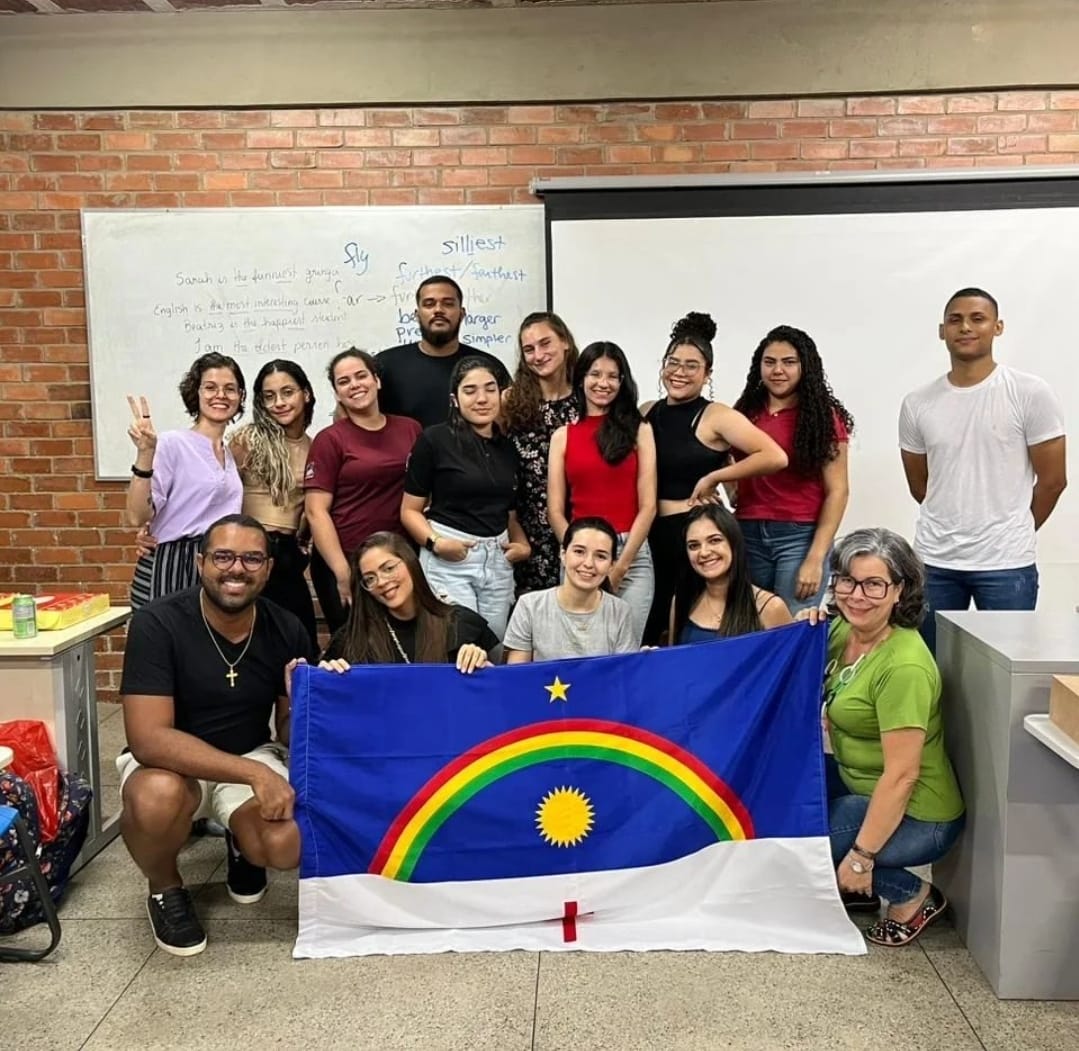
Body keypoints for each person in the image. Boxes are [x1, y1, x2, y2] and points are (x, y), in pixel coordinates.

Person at [117, 514, 316, 957]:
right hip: (170, 764)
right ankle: (165, 887)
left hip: (249, 751)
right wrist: (253, 775)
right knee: (156, 798)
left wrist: (300, 703)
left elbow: (286, 732)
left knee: (286, 845)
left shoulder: (288, 628)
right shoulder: (157, 623)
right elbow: (149, 739)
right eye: (223, 556)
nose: (237, 569)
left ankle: (241, 842)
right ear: (200, 562)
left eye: (251, 558)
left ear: (267, 568)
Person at [801, 528, 965, 947]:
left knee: (806, 845)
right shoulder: (844, 632)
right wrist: (805, 626)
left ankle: (910, 894)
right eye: (847, 580)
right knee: (787, 808)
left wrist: (861, 857)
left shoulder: (904, 667)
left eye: (874, 584)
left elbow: (903, 775)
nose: (857, 595)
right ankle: (854, 872)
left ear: (899, 590)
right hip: (860, 781)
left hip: (919, 813)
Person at [899, 287, 1067, 652]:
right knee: (930, 667)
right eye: (955, 320)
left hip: (1006, 564)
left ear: (998, 327)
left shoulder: (1030, 393)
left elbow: (1053, 481)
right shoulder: (917, 403)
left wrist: (1012, 527)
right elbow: (920, 485)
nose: (965, 327)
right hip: (934, 561)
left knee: (1003, 672)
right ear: (942, 330)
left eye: (978, 318)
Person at [640, 312, 788, 644]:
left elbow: (775, 456)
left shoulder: (716, 415)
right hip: (649, 536)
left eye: (692, 365)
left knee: (684, 629)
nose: (679, 372)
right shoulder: (647, 410)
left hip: (691, 534)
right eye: (673, 362)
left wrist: (715, 477)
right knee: (650, 629)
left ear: (707, 374)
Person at [401, 356, 530, 639]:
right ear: (455, 399)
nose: (481, 398)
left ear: (501, 393)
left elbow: (508, 513)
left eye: (490, 389)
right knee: (460, 648)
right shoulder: (434, 440)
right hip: (450, 556)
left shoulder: (508, 448)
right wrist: (437, 544)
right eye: (470, 391)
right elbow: (409, 511)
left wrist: (521, 544)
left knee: (493, 650)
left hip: (497, 559)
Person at [731, 324, 854, 614]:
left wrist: (815, 557)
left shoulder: (823, 417)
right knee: (749, 626)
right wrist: (731, 488)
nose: (778, 371)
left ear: (805, 367)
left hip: (799, 538)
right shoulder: (746, 411)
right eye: (770, 362)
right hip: (747, 533)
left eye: (789, 362)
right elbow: (723, 451)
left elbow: (838, 491)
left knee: (793, 628)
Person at [304, 349, 422, 635]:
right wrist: (343, 573)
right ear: (337, 393)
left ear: (377, 381)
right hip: (347, 560)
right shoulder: (329, 440)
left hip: (399, 562)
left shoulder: (411, 429)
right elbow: (315, 511)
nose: (354, 385)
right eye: (344, 381)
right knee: (354, 650)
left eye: (361, 376)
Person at [548, 341, 657, 645]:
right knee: (577, 650)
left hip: (630, 553)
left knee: (626, 652)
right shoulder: (563, 436)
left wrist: (619, 566)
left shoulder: (639, 429)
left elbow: (648, 506)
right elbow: (555, 510)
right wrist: (578, 551)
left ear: (622, 383)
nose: (603, 383)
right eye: (595, 374)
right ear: (581, 378)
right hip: (580, 553)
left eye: (613, 376)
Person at [126, 353, 245, 609]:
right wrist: (145, 453)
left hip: (215, 564)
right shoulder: (172, 443)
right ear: (196, 393)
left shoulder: (228, 453)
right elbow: (137, 517)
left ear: (241, 396)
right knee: (164, 644)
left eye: (230, 389)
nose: (220, 395)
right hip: (170, 565)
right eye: (210, 387)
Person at [228, 359, 318, 648]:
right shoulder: (247, 440)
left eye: (287, 392)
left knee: (300, 640)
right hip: (249, 551)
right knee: (251, 642)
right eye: (269, 396)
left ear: (305, 394)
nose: (279, 403)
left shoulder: (315, 446)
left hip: (288, 556)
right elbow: (217, 492)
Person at [321, 531, 498, 671]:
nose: (381, 582)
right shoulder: (353, 638)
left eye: (388, 568)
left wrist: (481, 665)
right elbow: (319, 691)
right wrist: (326, 675)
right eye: (370, 579)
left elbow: (497, 689)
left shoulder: (461, 623)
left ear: (410, 563)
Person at [503, 311, 581, 595]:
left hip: (578, 526)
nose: (538, 355)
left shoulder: (588, 400)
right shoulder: (510, 402)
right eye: (529, 349)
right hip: (527, 532)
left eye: (545, 343)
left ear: (565, 342)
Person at [376, 275, 511, 428]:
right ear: (417, 315)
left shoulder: (488, 367)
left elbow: (508, 422)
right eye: (429, 304)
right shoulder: (386, 365)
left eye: (448, 304)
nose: (438, 310)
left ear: (462, 313)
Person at [503, 517, 637, 663]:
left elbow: (625, 673)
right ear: (563, 554)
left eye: (600, 556)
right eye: (579, 552)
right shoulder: (529, 606)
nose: (588, 563)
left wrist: (645, 662)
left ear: (612, 565)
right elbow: (518, 675)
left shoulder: (620, 612)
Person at [670, 505, 792, 644]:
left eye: (714, 540)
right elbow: (674, 660)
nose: (703, 552)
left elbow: (792, 662)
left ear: (734, 543)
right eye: (694, 545)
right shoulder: (681, 600)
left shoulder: (770, 607)